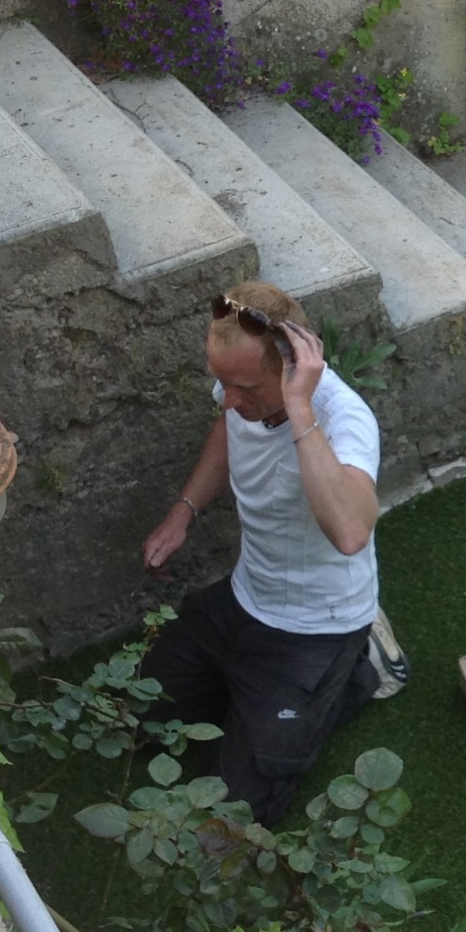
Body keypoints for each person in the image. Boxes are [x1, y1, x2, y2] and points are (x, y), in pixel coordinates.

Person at [140, 280, 409, 826]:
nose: (230, 401)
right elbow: (229, 425)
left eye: (243, 388)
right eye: (221, 383)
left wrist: (298, 409)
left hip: (316, 626)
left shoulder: (343, 420)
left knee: (240, 812)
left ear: (292, 369)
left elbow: (352, 532)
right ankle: (270, 686)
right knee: (139, 711)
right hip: (244, 598)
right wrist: (184, 509)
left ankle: (360, 666)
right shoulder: (239, 388)